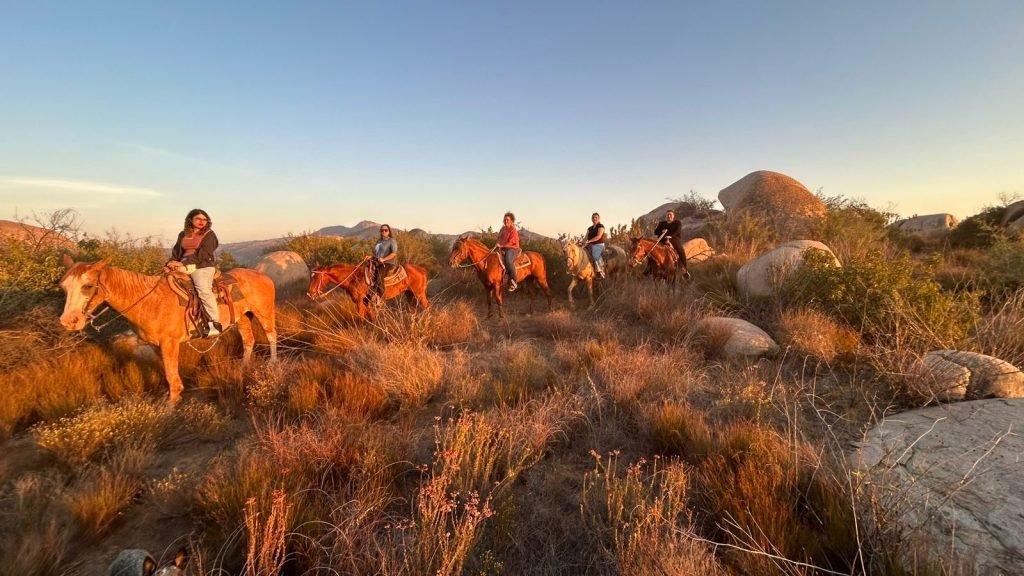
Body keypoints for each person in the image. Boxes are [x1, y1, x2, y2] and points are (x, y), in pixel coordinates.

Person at [165, 209, 221, 337]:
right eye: (198, 219)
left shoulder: (209, 234)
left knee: (203, 290)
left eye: (204, 219)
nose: (202, 221)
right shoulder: (183, 234)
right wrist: (170, 263)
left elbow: (205, 254)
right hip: (183, 265)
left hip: (201, 266)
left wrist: (183, 263)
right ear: (191, 220)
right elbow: (177, 252)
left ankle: (215, 324)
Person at [653, 209, 691, 279]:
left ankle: (685, 270)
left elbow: (678, 231)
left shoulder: (677, 222)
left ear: (673, 216)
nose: (669, 216)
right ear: (666, 216)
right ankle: (649, 269)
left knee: (681, 251)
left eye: (670, 215)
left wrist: (671, 236)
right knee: (652, 251)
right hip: (662, 240)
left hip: (674, 239)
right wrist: (661, 230)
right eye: (667, 215)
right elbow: (655, 232)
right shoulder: (662, 223)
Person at [369, 224, 398, 304]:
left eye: (386, 230)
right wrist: (370, 257)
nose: (383, 232)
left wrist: (384, 259)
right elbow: (376, 254)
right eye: (382, 230)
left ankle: (380, 296)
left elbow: (393, 253)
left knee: (379, 275)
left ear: (389, 231)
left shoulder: (392, 241)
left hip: (388, 263)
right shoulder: (378, 241)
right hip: (377, 262)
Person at [497, 212, 520, 292]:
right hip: (503, 247)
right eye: (505, 220)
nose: (506, 221)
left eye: (507, 220)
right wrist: (498, 243)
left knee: (508, 261)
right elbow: (499, 237)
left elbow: (511, 242)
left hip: (512, 248)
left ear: (511, 221)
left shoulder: (513, 230)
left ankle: (514, 281)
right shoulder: (503, 229)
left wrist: (501, 246)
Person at [584, 212, 606, 279]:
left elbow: (598, 236)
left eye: (596, 217)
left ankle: (601, 271)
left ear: (599, 219)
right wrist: (581, 242)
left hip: (599, 245)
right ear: (591, 219)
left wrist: (589, 241)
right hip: (589, 245)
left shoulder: (601, 226)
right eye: (593, 218)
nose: (594, 219)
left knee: (595, 255)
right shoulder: (589, 228)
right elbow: (585, 238)